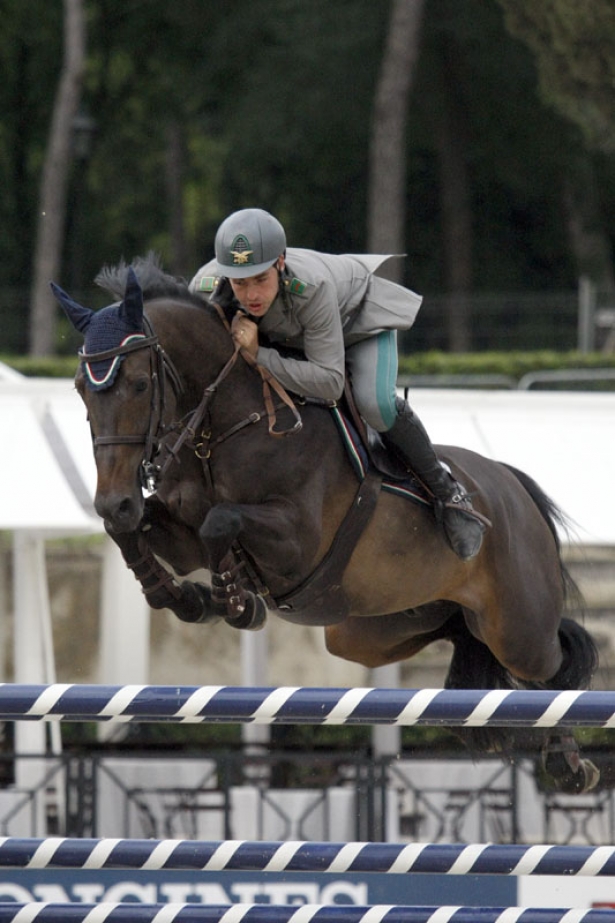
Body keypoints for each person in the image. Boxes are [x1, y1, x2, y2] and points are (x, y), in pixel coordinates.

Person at [190, 208, 487, 560]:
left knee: (373, 403)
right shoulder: (203, 288)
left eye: (260, 279)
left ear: (280, 263)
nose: (251, 294)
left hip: (356, 324)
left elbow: (329, 383)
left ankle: (447, 492)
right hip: (294, 339)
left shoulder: (310, 288)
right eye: (240, 283)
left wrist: (260, 356)